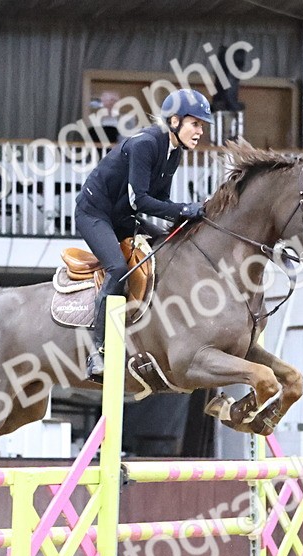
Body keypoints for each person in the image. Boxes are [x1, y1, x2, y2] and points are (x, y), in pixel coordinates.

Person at [75, 88, 212, 382]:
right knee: (118, 269)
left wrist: (186, 217)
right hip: (94, 214)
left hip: (123, 216)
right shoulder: (146, 144)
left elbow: (160, 200)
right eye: (195, 124)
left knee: (165, 248)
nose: (201, 131)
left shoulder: (174, 152)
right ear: (174, 121)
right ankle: (97, 353)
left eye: (202, 125)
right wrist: (184, 209)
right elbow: (140, 201)